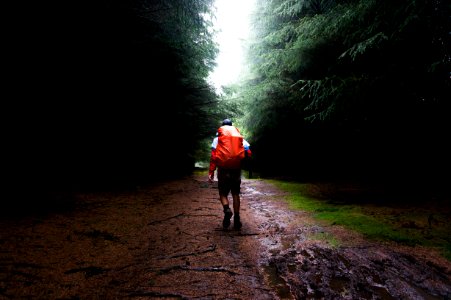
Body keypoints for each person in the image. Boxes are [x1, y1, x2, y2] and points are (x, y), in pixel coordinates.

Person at [208, 119, 252, 230]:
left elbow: (213, 157)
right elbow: (248, 152)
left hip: (223, 169)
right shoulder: (239, 138)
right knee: (235, 193)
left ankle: (227, 210)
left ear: (222, 127)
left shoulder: (217, 139)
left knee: (223, 193)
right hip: (236, 169)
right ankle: (237, 220)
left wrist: (211, 172)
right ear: (232, 127)